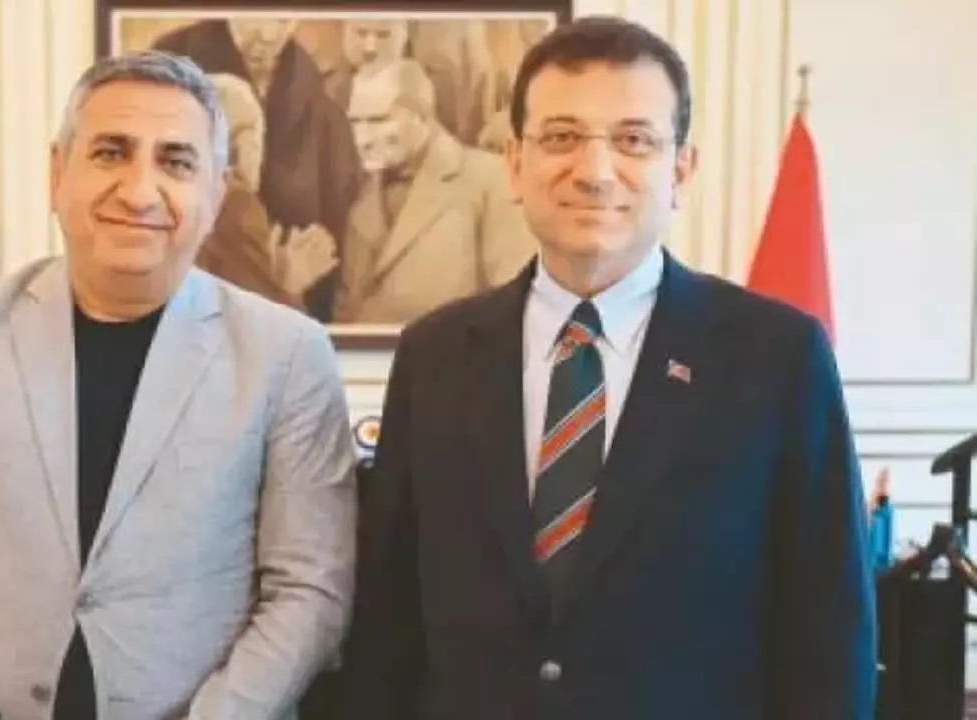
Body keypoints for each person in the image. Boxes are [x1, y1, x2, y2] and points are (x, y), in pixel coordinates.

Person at [337, 16, 876, 720]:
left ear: (680, 170)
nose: (594, 172)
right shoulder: (434, 355)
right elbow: (387, 624)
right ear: (514, 164)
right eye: (561, 138)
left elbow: (828, 631)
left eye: (633, 140)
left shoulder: (777, 357)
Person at [0, 50, 357, 720]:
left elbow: (310, 590)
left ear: (216, 194)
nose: (140, 190)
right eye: (111, 152)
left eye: (176, 162)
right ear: (58, 173)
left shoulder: (288, 355)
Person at [151, 18, 363, 321]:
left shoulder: (319, 101)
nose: (267, 35)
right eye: (254, 18)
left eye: (282, 20)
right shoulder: (233, 202)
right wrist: (284, 286)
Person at [334, 59, 535, 324]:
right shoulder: (361, 200)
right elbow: (347, 317)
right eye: (355, 122)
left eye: (378, 120)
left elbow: (515, 309)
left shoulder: (491, 180)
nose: (363, 139)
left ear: (422, 115)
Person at [196, 73, 338, 312]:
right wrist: (290, 288)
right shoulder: (234, 203)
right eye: (258, 138)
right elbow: (257, 328)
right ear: (241, 142)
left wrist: (272, 277)